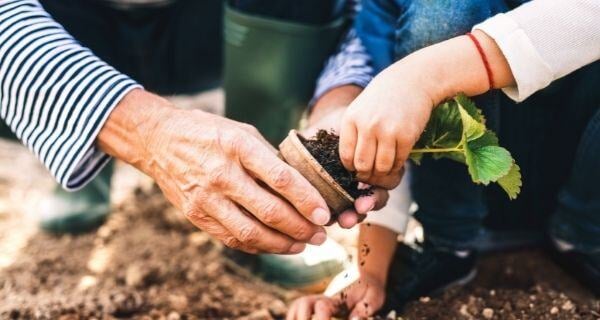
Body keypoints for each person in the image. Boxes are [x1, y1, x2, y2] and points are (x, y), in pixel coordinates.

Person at [287, 0, 600, 318]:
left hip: (582, 176)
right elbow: (390, 113)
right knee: (442, 10)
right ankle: (451, 246)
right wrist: (370, 272)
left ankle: (584, 236)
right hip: (455, 210)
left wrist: (426, 76)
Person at [0, 0, 390, 254]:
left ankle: (263, 192)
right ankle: (83, 160)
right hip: (58, 24)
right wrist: (146, 132)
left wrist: (340, 96)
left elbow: (370, 9)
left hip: (213, 26)